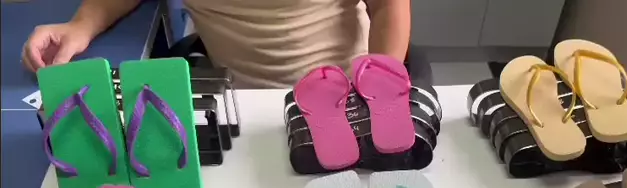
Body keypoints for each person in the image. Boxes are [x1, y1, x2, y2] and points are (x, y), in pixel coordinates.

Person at [21, 0, 411, 88]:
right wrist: (81, 26)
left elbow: (388, 6)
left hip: (346, 94)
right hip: (240, 104)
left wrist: (377, 88)